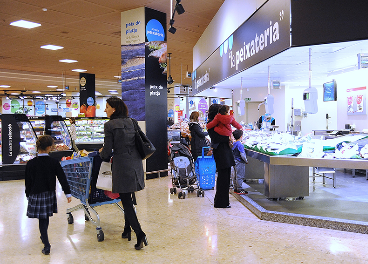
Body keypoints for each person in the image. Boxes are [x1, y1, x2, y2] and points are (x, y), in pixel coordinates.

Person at [99, 96, 147, 250]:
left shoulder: (109, 125)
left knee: (126, 201)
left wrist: (100, 152)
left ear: (114, 109)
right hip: (136, 164)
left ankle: (140, 233)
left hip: (122, 166)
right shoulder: (132, 122)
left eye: (106, 107)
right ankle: (127, 230)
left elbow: (107, 152)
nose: (105, 110)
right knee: (129, 197)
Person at [25, 135, 72, 255]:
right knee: (45, 217)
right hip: (49, 193)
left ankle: (45, 241)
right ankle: (45, 241)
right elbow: (62, 178)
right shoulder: (54, 162)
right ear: (49, 148)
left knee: (42, 218)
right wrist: (67, 193)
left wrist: (28, 195)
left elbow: (28, 182)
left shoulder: (31, 163)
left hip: (35, 194)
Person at [206, 104, 235, 208]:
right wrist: (228, 139)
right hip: (221, 152)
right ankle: (220, 202)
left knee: (225, 177)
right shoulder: (211, 123)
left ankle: (223, 202)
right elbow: (215, 138)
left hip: (224, 152)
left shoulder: (219, 122)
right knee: (223, 177)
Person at [232, 129, 248, 194]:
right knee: (240, 175)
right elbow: (242, 155)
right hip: (240, 162)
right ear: (241, 136)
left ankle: (235, 188)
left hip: (234, 160)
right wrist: (246, 160)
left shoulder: (234, 143)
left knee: (235, 175)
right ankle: (240, 189)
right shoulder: (240, 145)